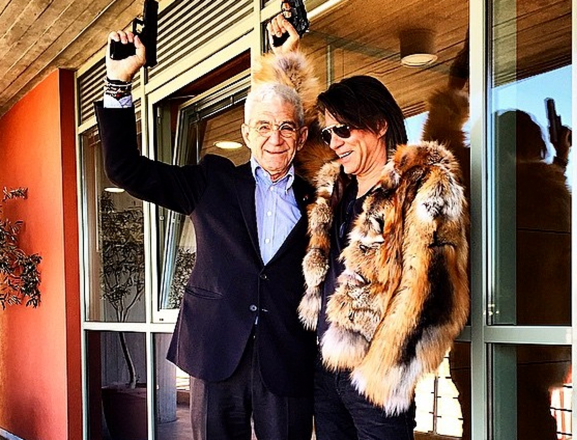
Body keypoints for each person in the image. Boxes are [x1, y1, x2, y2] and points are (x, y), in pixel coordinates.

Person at [95, 27, 320, 440]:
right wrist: (118, 82)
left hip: (286, 357)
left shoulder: (319, 199)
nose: (275, 138)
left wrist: (287, 60)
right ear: (246, 133)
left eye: (287, 128)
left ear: (302, 136)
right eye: (263, 127)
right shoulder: (211, 182)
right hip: (216, 350)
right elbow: (125, 168)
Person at [267, 15, 471, 440]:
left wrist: (385, 367)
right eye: (329, 133)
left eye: (343, 129)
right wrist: (288, 59)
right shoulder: (335, 185)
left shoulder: (422, 184)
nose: (334, 141)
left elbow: (435, 289)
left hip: (377, 376)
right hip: (326, 369)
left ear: (378, 125)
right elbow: (297, 131)